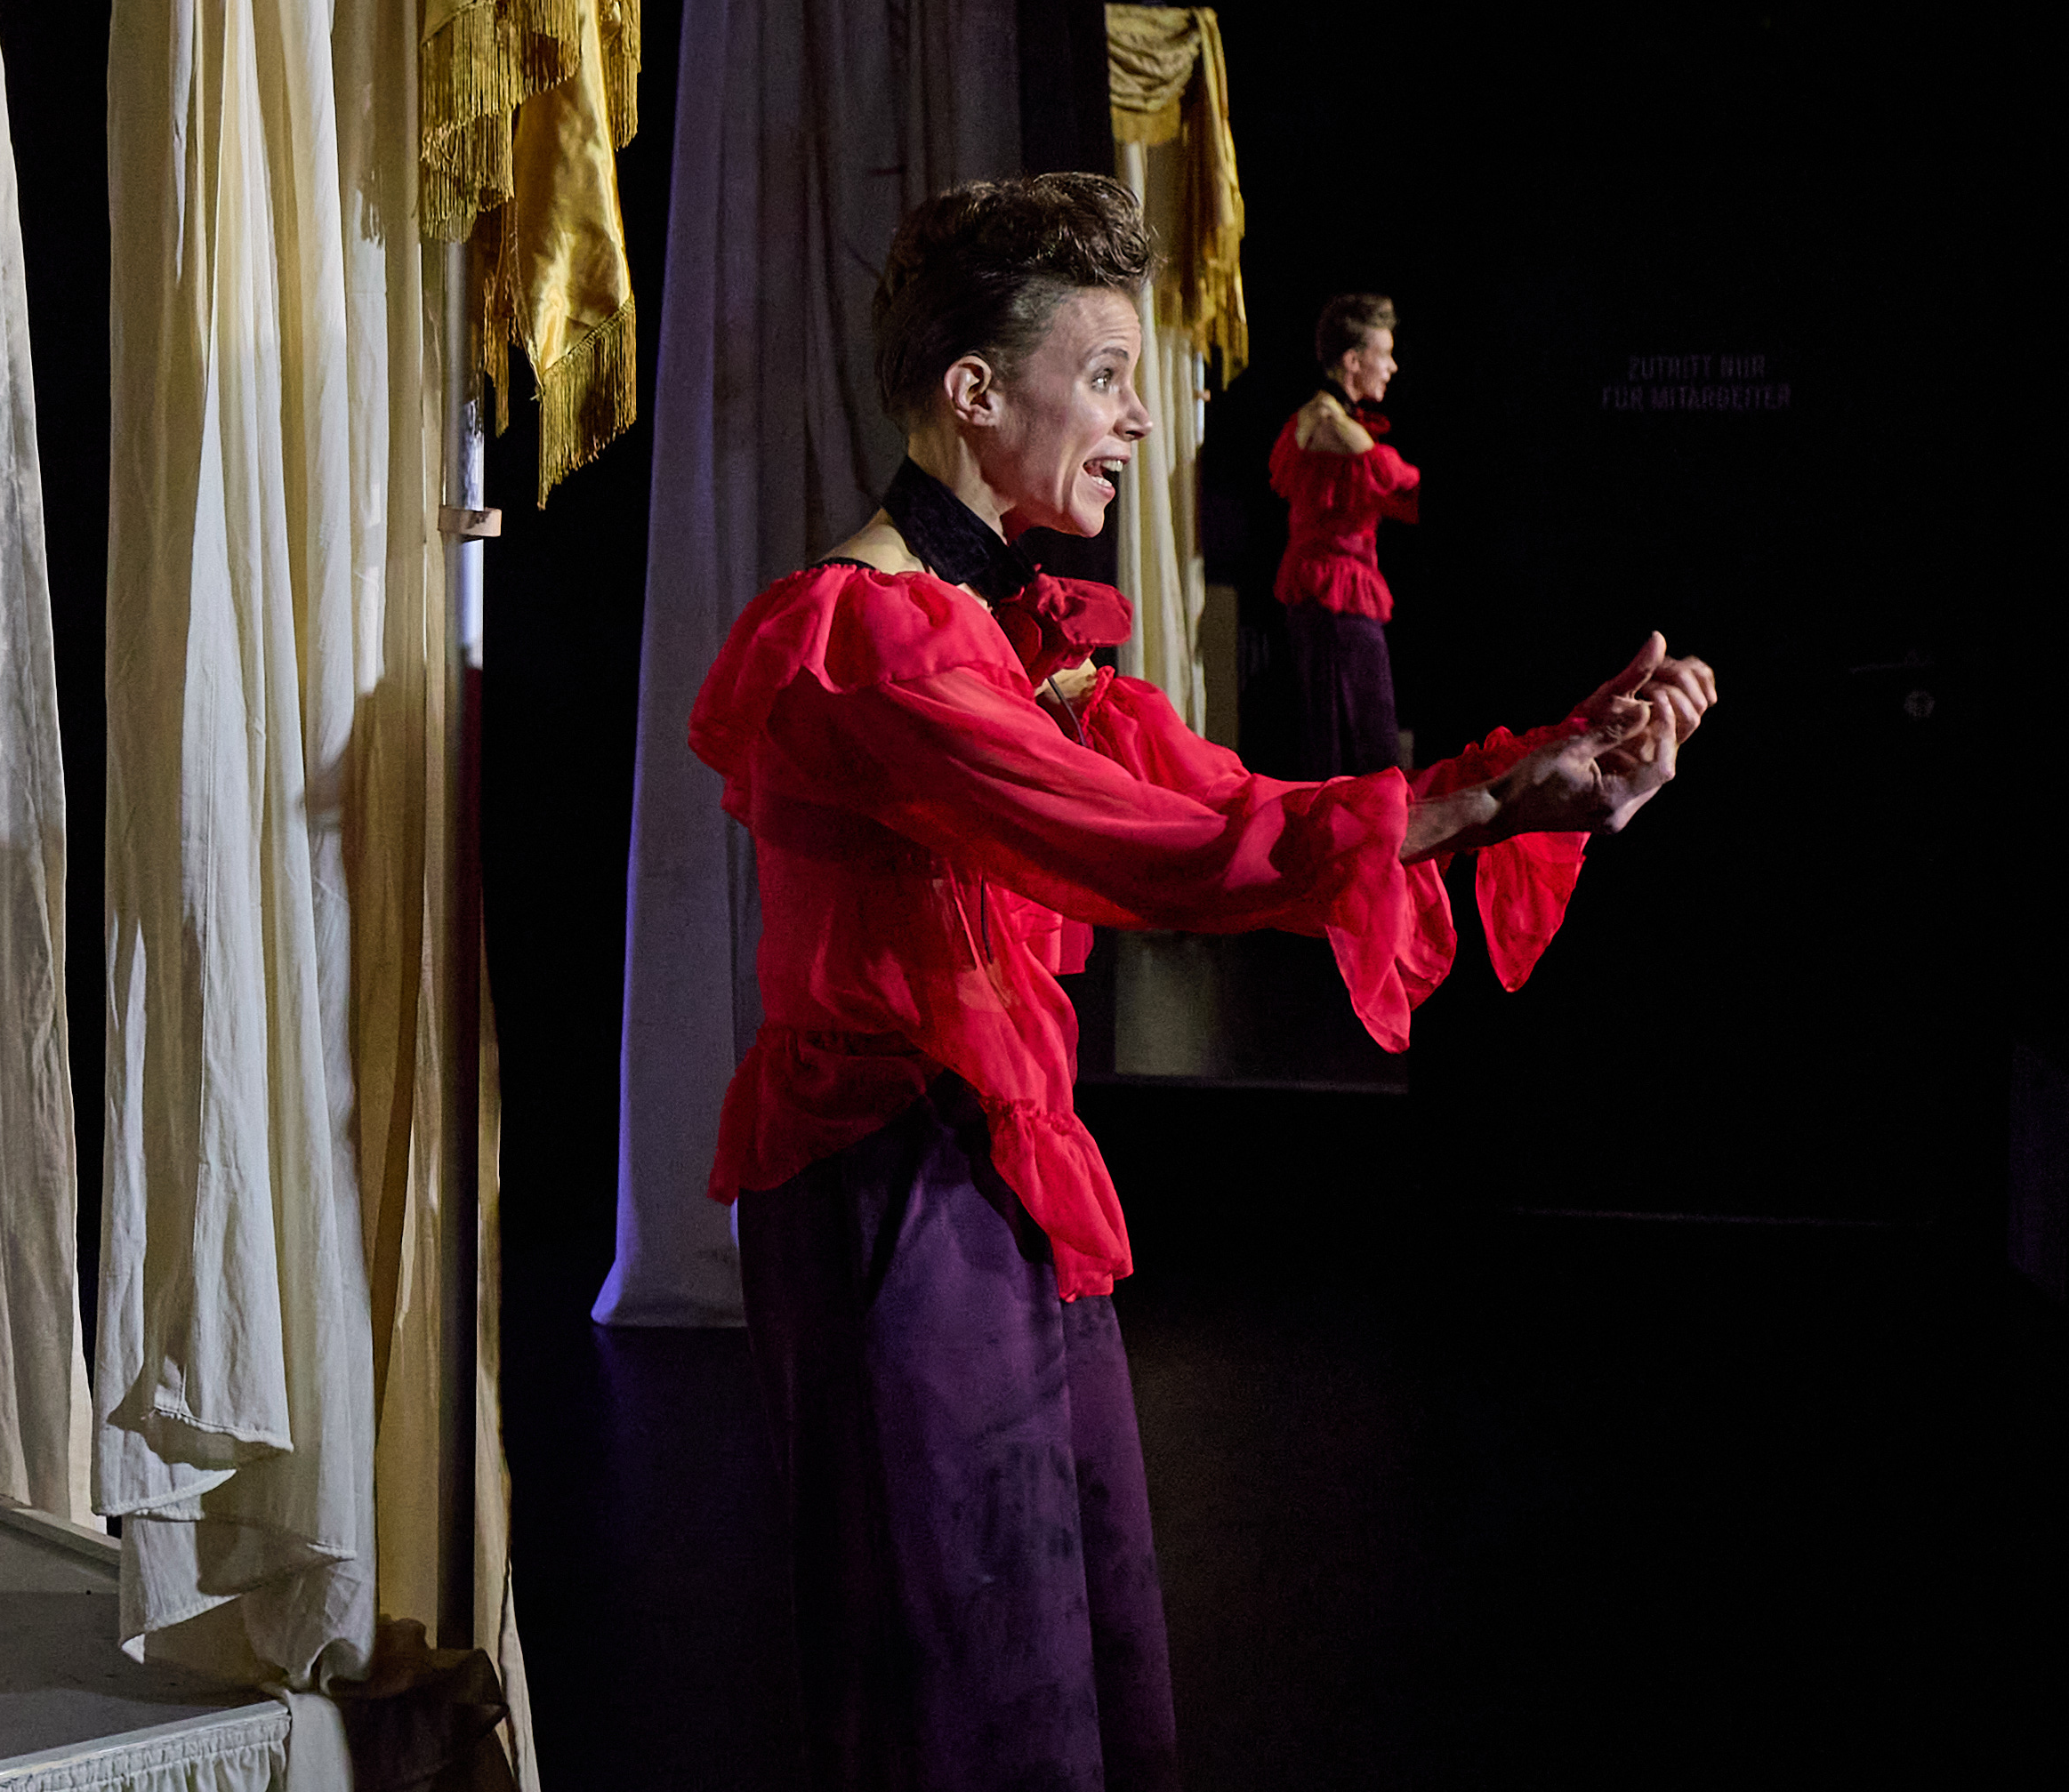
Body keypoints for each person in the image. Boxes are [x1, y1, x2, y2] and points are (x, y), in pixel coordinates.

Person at [695, 177, 1713, 1792]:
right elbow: (1169, 856)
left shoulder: (1010, 630)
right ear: (975, 389)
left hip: (998, 1184)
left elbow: (1238, 805)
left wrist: (1531, 771)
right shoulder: (868, 642)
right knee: (956, 1675)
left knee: (1058, 1646)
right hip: (892, 1199)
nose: (1136, 420)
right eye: (1104, 376)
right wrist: (1493, 804)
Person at [1271, 292, 1417, 775]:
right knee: (1358, 750)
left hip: (1336, 594)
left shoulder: (1331, 418)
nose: (1393, 367)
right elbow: (1398, 483)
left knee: (1352, 746)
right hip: (1333, 595)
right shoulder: (1327, 421)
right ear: (1354, 361)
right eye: (1385, 354)